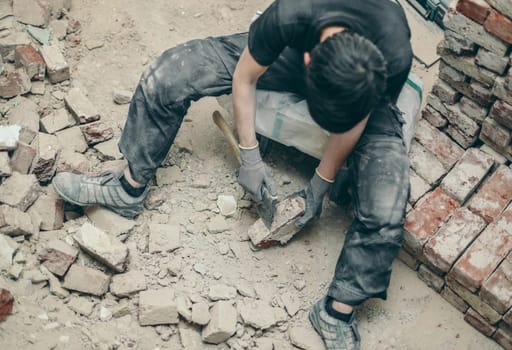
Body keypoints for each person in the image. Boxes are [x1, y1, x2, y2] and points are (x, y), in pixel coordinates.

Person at [52, 0, 413, 348]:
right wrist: (250, 153)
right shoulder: (292, 14)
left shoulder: (392, 52)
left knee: (387, 210)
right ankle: (129, 187)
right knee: (166, 75)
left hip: (359, 97)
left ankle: (336, 311)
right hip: (292, 59)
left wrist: (323, 180)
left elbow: (358, 116)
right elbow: (245, 75)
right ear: (309, 59)